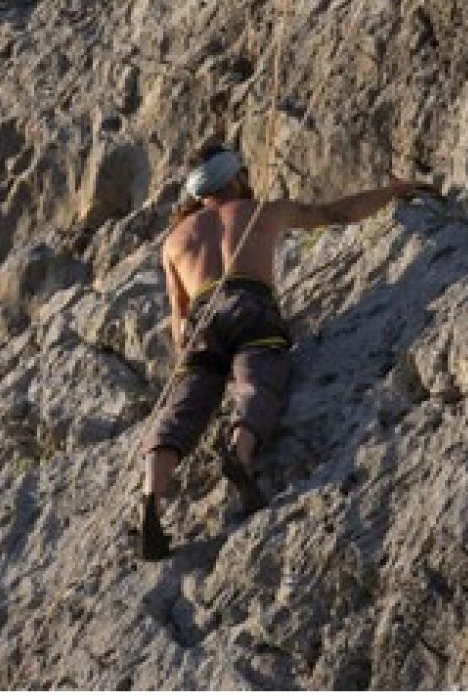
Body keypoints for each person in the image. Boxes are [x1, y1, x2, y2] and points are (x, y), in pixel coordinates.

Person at [139, 142, 438, 560]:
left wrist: (187, 358)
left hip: (201, 324)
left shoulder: (175, 241)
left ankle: (151, 499)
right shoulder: (261, 211)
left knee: (183, 410)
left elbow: (178, 312)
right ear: (234, 177)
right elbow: (336, 213)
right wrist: (394, 191)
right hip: (250, 304)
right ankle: (240, 454)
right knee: (258, 384)